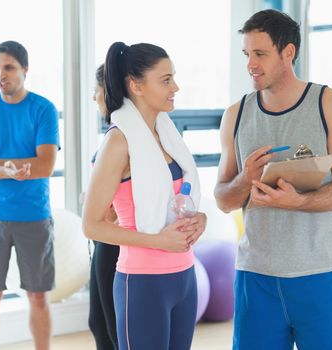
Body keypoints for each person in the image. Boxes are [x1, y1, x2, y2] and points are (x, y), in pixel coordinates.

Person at [214, 9, 332, 350]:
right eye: (247, 54)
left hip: (318, 274)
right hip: (255, 275)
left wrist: (300, 201)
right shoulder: (235, 115)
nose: (251, 64)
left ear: (288, 52)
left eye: (260, 54)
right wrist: (245, 180)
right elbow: (223, 199)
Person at [82, 42, 207, 350]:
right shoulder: (118, 143)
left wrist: (200, 219)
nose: (175, 86)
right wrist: (159, 241)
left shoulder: (166, 136)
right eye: (165, 80)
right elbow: (92, 225)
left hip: (184, 277)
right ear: (136, 85)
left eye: (173, 77)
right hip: (143, 281)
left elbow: (181, 198)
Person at [0, 40, 59, 350]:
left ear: (25, 70)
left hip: (34, 214)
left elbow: (45, 165)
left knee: (38, 296)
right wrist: (4, 170)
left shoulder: (43, 109)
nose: (1, 75)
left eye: (8, 67)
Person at [87, 64, 120, 350]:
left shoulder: (121, 136)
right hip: (103, 241)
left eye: (96, 92)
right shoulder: (112, 134)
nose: (93, 99)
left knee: (113, 328)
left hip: (114, 241)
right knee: (98, 323)